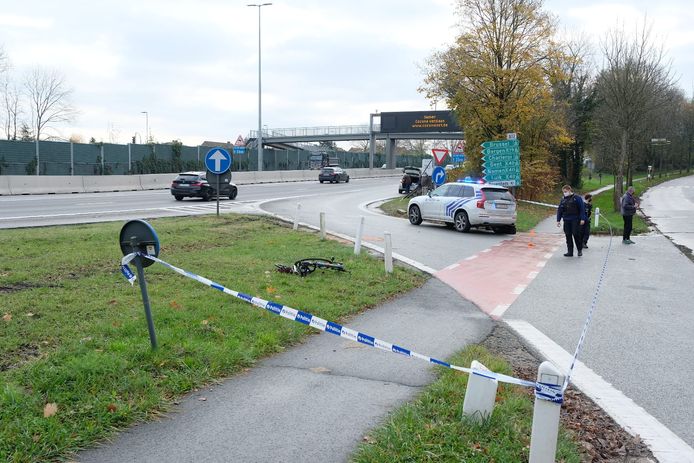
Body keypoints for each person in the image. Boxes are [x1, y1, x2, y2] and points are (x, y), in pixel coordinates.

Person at [556, 185, 586, 257]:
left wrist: (582, 218)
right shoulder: (563, 199)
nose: (564, 193)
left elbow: (582, 209)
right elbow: (560, 210)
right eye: (563, 192)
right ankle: (570, 251)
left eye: (565, 191)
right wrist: (558, 220)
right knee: (568, 235)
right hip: (566, 219)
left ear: (569, 190)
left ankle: (579, 250)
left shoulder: (577, 198)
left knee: (576, 234)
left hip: (575, 219)